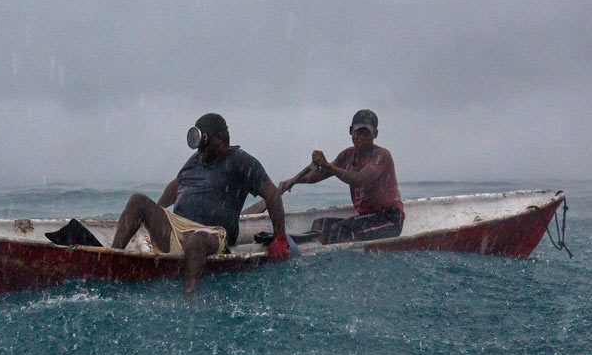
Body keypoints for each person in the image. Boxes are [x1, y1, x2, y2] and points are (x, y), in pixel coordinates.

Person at [110, 112, 290, 294]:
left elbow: (272, 194)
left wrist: (279, 237)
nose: (200, 153)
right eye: (198, 149)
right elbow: (176, 186)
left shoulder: (241, 161)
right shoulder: (196, 159)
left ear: (221, 139)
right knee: (137, 201)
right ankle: (112, 261)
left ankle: (189, 296)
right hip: (177, 229)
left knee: (195, 240)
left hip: (212, 233)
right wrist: (158, 213)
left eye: (204, 148)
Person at [275, 108, 403, 244]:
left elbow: (361, 179)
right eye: (358, 132)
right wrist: (293, 181)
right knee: (320, 224)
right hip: (366, 217)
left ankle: (324, 252)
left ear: (375, 135)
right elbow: (319, 175)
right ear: (350, 131)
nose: (361, 137)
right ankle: (309, 245)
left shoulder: (381, 155)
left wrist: (328, 166)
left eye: (366, 133)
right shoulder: (346, 155)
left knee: (338, 231)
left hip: (389, 218)